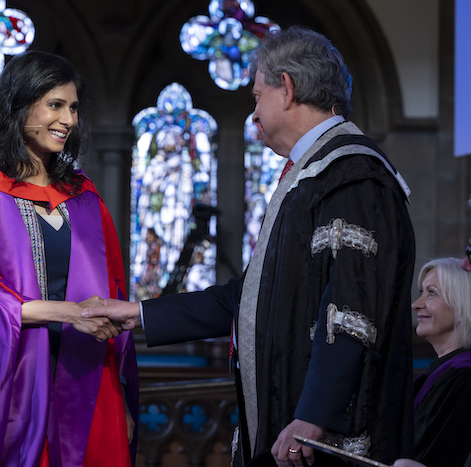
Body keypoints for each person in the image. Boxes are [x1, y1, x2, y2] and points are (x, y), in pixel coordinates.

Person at [83, 26, 415, 466]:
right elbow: (251, 298)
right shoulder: (310, 174)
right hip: (289, 429)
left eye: (258, 95)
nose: (254, 112)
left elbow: (351, 313)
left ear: (288, 89)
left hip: (326, 442)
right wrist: (138, 314)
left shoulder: (352, 176)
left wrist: (313, 417)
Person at [0, 50, 138, 466]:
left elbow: (113, 291)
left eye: (74, 107)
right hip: (12, 381)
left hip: (88, 375)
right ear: (19, 106)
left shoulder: (85, 198)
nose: (69, 120)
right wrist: (71, 312)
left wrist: (121, 396)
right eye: (55, 105)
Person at [409, 257, 471, 466]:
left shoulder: (461, 377)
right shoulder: (445, 374)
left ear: (463, 301)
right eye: (421, 293)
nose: (416, 305)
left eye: (432, 293)